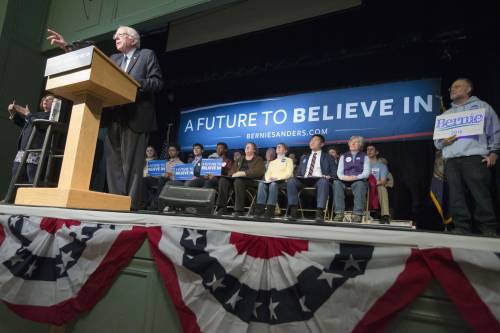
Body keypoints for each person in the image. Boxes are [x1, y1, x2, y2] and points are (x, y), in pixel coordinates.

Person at [47, 26, 164, 210]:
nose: (115, 38)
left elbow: (157, 82)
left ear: (133, 40)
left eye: (120, 35)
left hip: (136, 116)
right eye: (115, 36)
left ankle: (131, 204)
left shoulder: (146, 55)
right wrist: (67, 48)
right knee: (113, 163)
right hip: (114, 115)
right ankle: (116, 202)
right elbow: (93, 61)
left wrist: (133, 83)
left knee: (131, 164)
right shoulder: (114, 59)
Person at [434, 78, 500, 236]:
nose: (452, 89)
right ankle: (462, 228)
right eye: (451, 88)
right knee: (456, 196)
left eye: (457, 86)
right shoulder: (447, 114)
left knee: (480, 195)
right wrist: (443, 141)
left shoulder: (482, 107)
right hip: (451, 161)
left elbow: (495, 130)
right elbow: (437, 143)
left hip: (475, 159)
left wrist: (494, 153)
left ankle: (488, 228)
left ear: (468, 89)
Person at [287, 134, 337, 222]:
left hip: (319, 180)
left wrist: (328, 176)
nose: (312, 142)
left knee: (323, 181)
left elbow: (334, 173)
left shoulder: (328, 157)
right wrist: (298, 176)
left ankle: (319, 212)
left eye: (315, 140)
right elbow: (298, 173)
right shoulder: (304, 157)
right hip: (304, 180)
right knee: (291, 181)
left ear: (322, 144)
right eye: (311, 140)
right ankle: (293, 211)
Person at [7, 94, 54, 184]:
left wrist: (28, 114)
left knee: (31, 180)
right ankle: (12, 197)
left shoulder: (51, 116)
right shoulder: (36, 114)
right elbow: (25, 125)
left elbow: (38, 124)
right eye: (44, 98)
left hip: (35, 152)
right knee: (15, 179)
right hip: (22, 151)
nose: (45, 100)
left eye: (50, 99)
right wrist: (13, 113)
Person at [216, 142, 265, 217]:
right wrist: (231, 175)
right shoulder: (240, 158)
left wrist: (243, 173)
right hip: (236, 178)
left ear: (254, 150)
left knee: (238, 181)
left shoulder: (258, 160)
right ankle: (222, 208)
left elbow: (259, 172)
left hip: (250, 180)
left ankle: (239, 210)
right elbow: (232, 170)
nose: (246, 148)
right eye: (246, 147)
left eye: (248, 147)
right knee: (223, 180)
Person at [333, 136, 370, 223]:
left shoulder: (365, 156)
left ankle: (357, 214)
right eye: (351, 142)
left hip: (358, 180)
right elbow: (339, 173)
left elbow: (366, 173)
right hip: (345, 180)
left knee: (360, 185)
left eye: (356, 142)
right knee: (336, 183)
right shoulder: (343, 156)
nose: (353, 144)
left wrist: (356, 177)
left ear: (360, 145)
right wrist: (345, 178)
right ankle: (339, 213)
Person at [254, 143, 294, 218]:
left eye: (280, 147)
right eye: (277, 147)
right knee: (261, 184)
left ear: (285, 150)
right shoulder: (272, 162)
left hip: (283, 182)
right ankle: (259, 210)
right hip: (271, 181)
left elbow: (289, 173)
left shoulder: (289, 160)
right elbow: (267, 174)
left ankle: (270, 211)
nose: (278, 147)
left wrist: (277, 178)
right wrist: (269, 179)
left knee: (273, 185)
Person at [146, 144, 183, 210]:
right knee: (145, 180)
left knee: (162, 179)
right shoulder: (165, 163)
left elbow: (181, 178)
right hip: (159, 180)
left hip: (168, 181)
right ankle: (145, 202)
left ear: (177, 152)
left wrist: (170, 176)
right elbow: (159, 173)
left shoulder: (181, 164)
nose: (170, 152)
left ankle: (157, 204)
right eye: (169, 150)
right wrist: (152, 174)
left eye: (173, 150)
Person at [366, 144, 391, 224]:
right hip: (364, 186)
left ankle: (385, 215)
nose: (369, 151)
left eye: (371, 149)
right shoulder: (363, 164)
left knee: (382, 188)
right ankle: (359, 213)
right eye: (367, 149)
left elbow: (383, 181)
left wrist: (373, 183)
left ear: (376, 152)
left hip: (376, 187)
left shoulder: (382, 166)